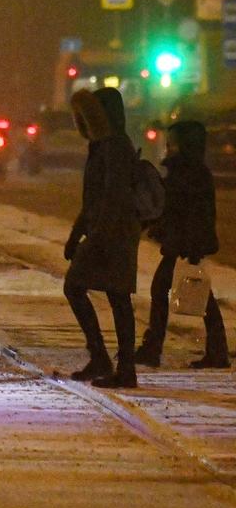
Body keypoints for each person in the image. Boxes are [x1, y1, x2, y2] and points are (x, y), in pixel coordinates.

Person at [63, 87, 141, 388]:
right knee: (110, 295)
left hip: (114, 234)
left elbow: (113, 196)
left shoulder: (115, 147)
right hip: (105, 232)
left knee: (107, 294)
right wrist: (77, 233)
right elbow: (94, 199)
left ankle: (120, 366)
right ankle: (108, 360)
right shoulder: (103, 146)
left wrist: (94, 237)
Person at [136, 120, 229, 369]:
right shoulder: (192, 170)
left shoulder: (187, 173)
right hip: (185, 242)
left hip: (184, 243)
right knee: (198, 294)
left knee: (172, 291)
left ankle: (154, 348)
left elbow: (179, 208)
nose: (168, 147)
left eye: (172, 143)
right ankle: (216, 350)